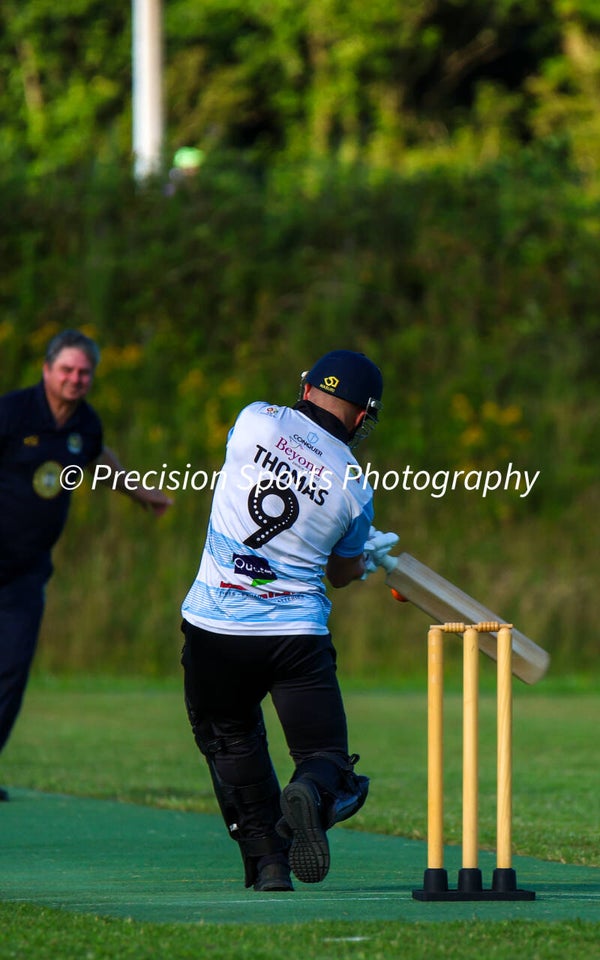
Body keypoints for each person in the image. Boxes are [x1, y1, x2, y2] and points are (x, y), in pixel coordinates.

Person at [180, 349, 398, 892]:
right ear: (358, 415)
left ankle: (270, 864)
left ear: (306, 390)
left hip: (215, 629)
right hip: (294, 638)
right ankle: (310, 792)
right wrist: (365, 555)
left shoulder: (253, 419)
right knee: (325, 758)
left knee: (231, 741)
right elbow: (342, 574)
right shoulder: (353, 484)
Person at [0, 329, 172, 800]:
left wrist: (142, 495)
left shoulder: (85, 425)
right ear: (47, 369)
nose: (75, 379)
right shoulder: (12, 413)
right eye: (67, 370)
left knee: (11, 669)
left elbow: (99, 460)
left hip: (27, 569)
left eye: (84, 372)